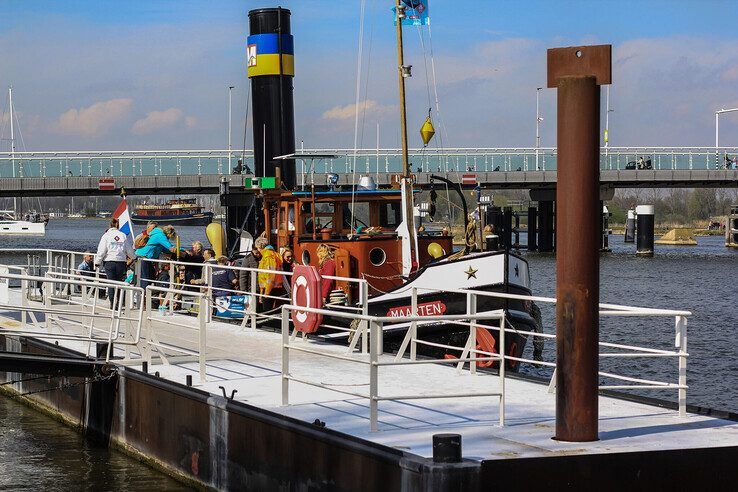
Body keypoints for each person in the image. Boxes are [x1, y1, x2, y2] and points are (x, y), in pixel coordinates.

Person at [96, 218, 135, 309]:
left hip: (109, 262)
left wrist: (97, 262)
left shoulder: (106, 236)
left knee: (111, 283)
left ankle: (112, 303)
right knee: (119, 283)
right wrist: (134, 257)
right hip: (121, 262)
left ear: (110, 225)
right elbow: (129, 250)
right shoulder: (123, 235)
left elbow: (101, 251)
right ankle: (118, 301)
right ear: (118, 225)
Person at [135, 222, 179, 292]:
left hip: (147, 258)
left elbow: (165, 250)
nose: (168, 239)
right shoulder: (160, 236)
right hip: (143, 257)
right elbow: (170, 248)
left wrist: (157, 267)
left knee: (152, 276)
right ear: (168, 234)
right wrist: (181, 250)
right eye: (169, 238)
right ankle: (143, 296)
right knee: (145, 278)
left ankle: (148, 295)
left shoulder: (158, 237)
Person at [255, 237, 282, 306]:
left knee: (267, 310)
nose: (258, 250)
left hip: (270, 288)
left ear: (260, 247)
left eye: (257, 248)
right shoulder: (273, 254)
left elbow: (270, 276)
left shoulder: (268, 256)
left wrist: (266, 293)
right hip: (271, 287)